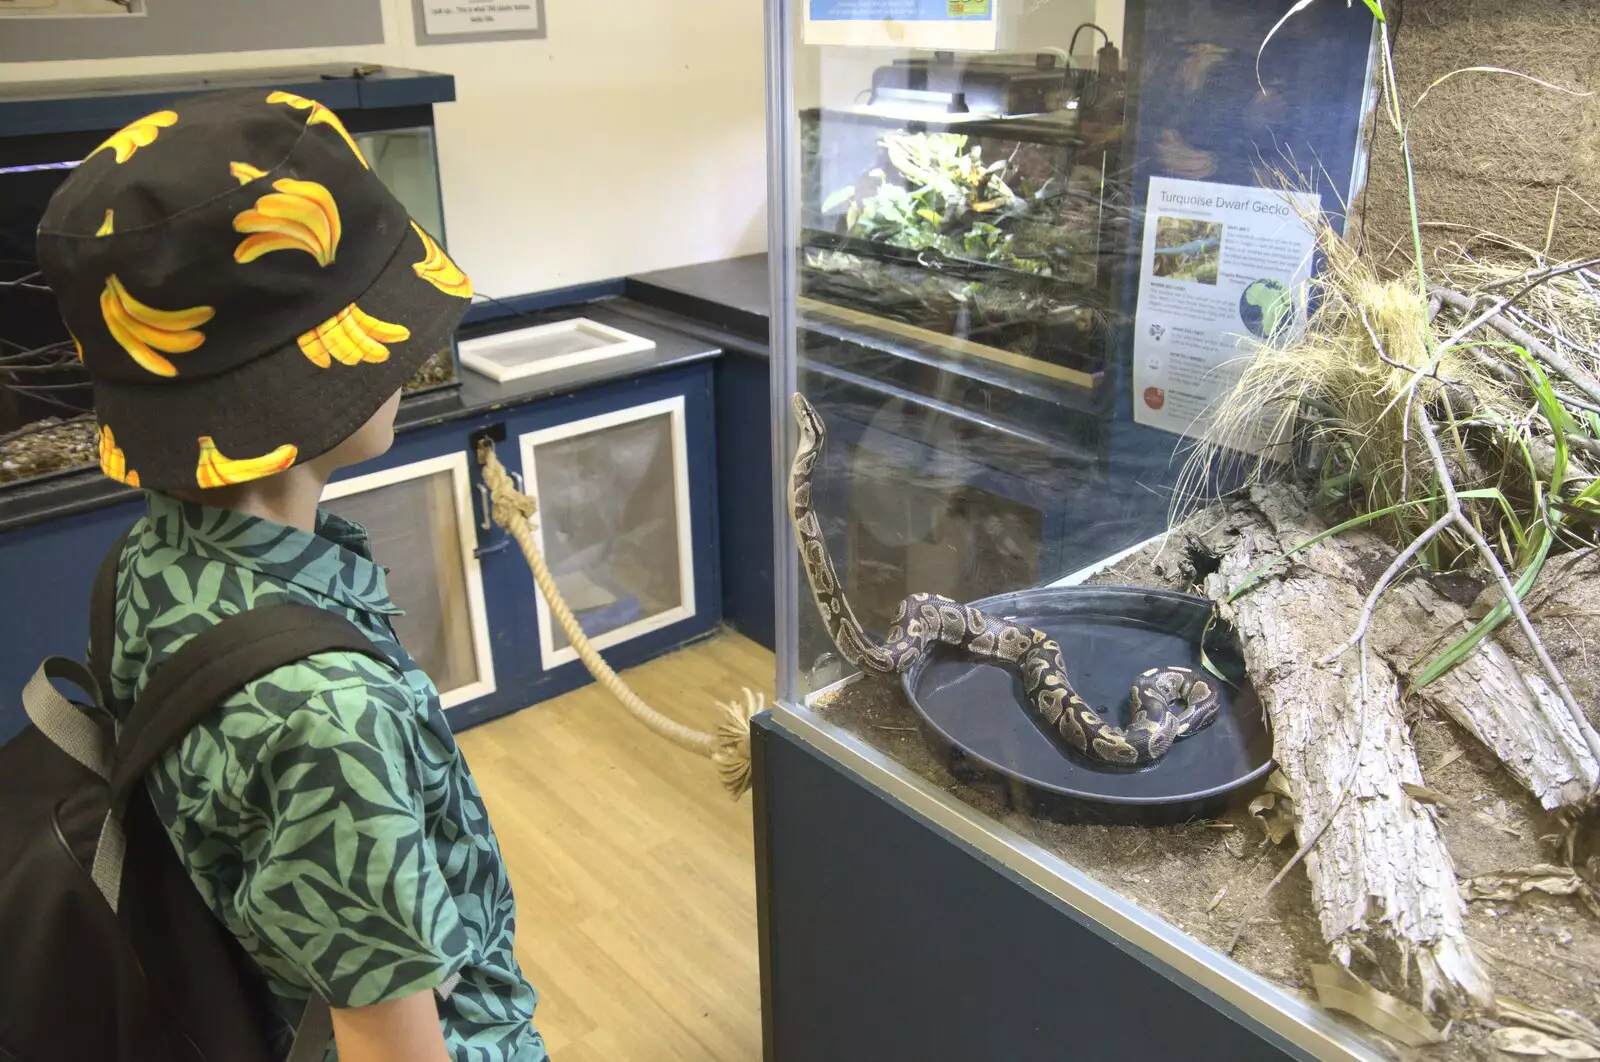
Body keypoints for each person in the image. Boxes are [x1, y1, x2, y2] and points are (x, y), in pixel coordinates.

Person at [36, 88, 546, 1062]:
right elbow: (392, 1044)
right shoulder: (327, 720)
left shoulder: (149, 561)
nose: (408, 353)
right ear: (304, 377)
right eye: (380, 323)